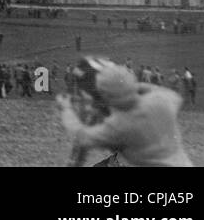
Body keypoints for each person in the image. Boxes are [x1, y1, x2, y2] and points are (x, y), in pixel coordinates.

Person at [57, 59, 192, 167]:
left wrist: (66, 108)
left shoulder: (120, 123)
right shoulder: (161, 100)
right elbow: (168, 95)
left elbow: (83, 138)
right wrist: (126, 87)